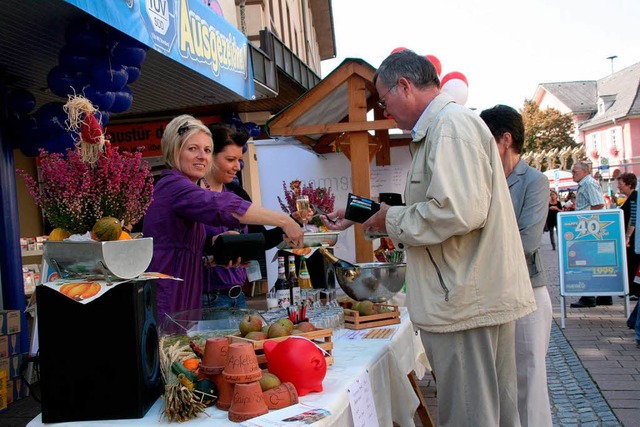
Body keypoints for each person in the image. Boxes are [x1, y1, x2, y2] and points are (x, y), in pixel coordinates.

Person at [321, 50, 536, 427]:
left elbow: (457, 211)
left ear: (404, 86)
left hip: (465, 300)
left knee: (472, 415)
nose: (387, 113)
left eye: (385, 102)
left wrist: (393, 218)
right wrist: (366, 215)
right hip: (467, 297)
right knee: (491, 412)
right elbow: (440, 207)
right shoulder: (445, 127)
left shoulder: (449, 127)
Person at [143, 115, 304, 320]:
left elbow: (184, 245)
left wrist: (217, 251)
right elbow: (220, 204)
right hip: (171, 300)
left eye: (207, 150)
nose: (202, 156)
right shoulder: (174, 185)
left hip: (186, 299)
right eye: (192, 148)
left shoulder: (185, 186)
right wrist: (285, 220)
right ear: (174, 149)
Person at [480, 104, 553, 427]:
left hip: (528, 292)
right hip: (494, 293)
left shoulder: (534, 181)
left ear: (505, 139)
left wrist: (478, 252)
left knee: (530, 378)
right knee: (502, 381)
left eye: (486, 139)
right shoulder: (485, 178)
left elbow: (527, 243)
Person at [198, 123, 311, 308]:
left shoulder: (237, 192)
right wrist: (216, 247)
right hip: (205, 298)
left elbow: (261, 240)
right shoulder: (194, 194)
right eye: (230, 159)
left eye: (239, 159)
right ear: (210, 156)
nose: (237, 166)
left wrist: (291, 221)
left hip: (238, 295)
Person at [569, 161, 607, 308]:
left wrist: (585, 219)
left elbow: (598, 204)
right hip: (589, 227)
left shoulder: (588, 183)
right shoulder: (586, 184)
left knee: (587, 261)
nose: (573, 174)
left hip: (588, 228)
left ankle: (589, 296)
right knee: (595, 261)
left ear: (585, 171)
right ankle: (604, 296)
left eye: (575, 171)